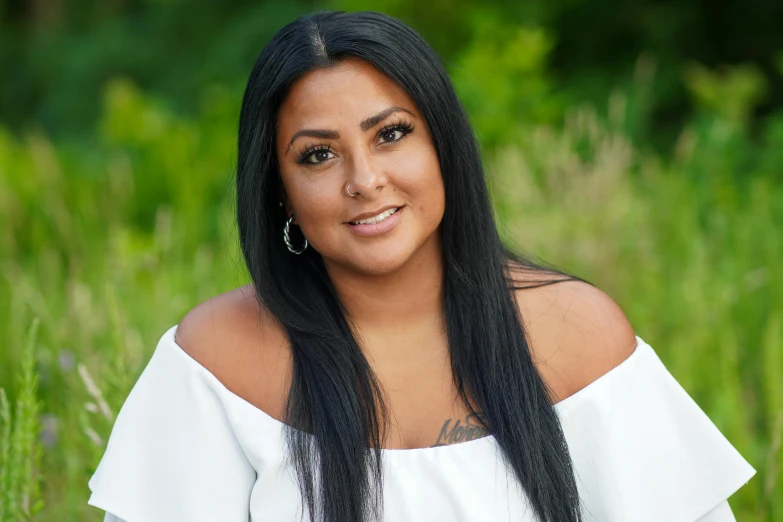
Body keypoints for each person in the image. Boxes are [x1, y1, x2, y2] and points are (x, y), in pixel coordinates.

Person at [86, 10, 755, 522]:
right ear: (278, 188)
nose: (364, 179)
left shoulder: (574, 334)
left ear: (444, 146)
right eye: (318, 155)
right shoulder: (215, 362)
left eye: (391, 134)